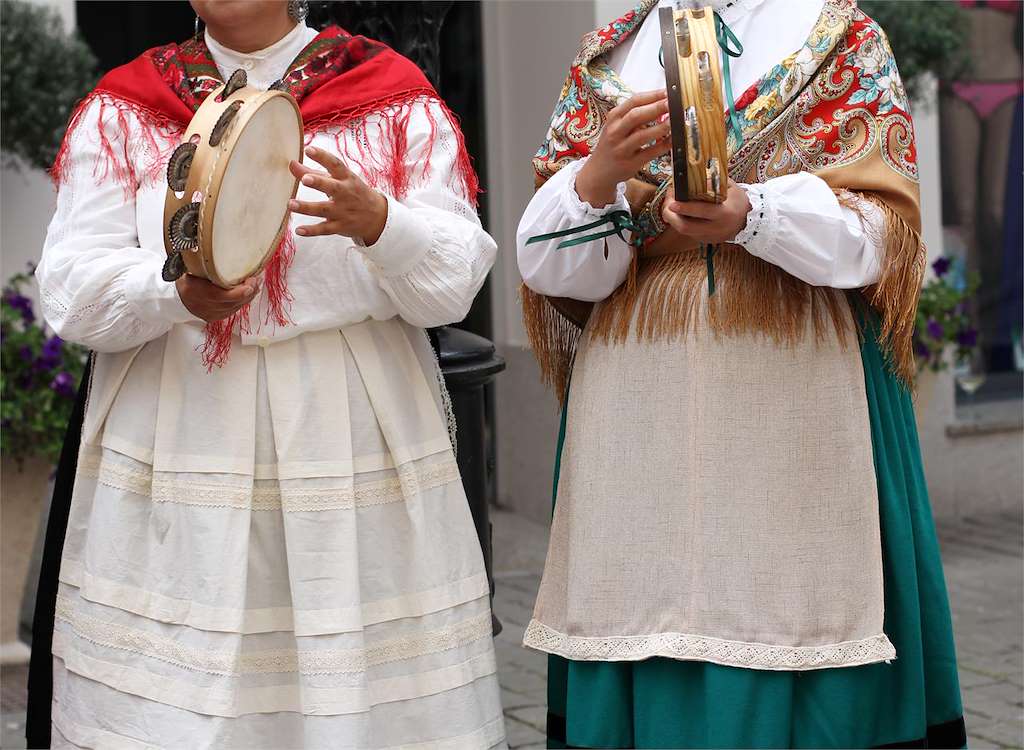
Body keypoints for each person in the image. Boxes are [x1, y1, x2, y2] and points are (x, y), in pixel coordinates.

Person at [28, 1, 505, 747]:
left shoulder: (386, 90)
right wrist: (173, 292)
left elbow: (452, 286)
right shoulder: (128, 106)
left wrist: (380, 222)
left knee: (354, 690)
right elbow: (70, 288)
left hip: (343, 433)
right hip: (180, 430)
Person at [516, 0, 965, 747]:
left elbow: (883, 238)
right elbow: (547, 266)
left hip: (797, 378)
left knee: (800, 595)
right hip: (638, 397)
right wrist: (597, 177)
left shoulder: (838, 35)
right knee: (637, 600)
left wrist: (752, 213)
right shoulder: (612, 54)